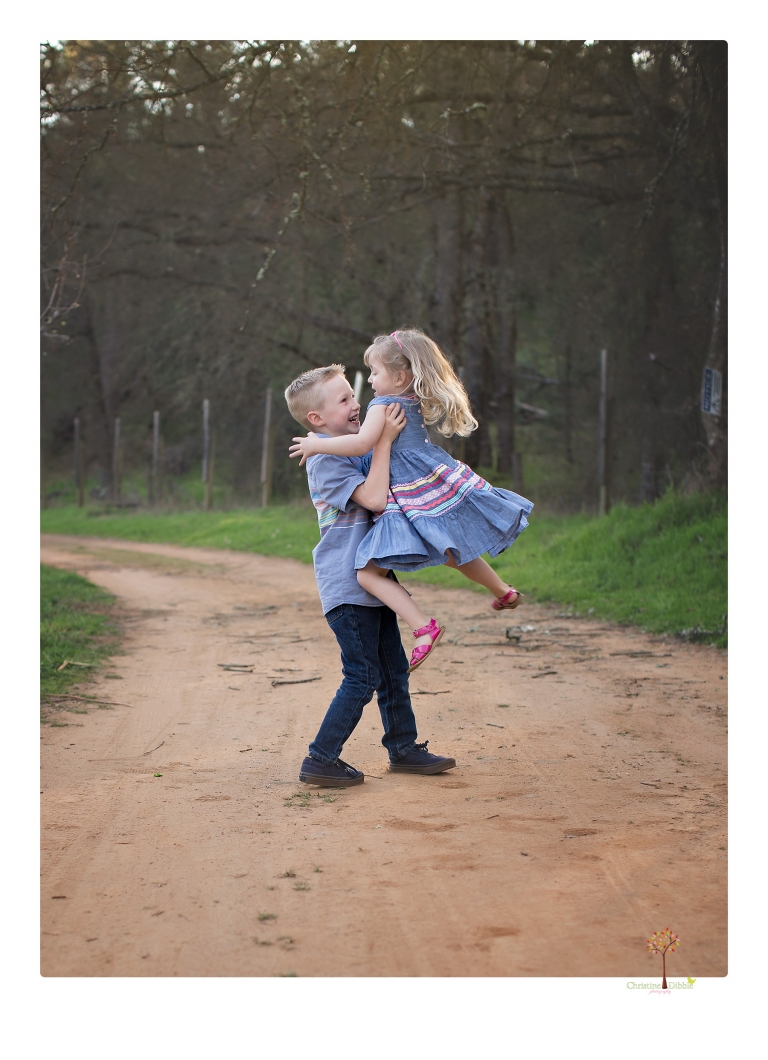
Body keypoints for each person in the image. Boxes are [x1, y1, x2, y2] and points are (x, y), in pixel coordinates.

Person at [289, 328, 534, 672]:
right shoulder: (410, 401)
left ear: (399, 376)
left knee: (367, 574)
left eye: (375, 373)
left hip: (406, 493)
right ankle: (502, 590)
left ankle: (423, 626)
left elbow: (360, 446)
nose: (369, 384)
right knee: (450, 549)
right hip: (427, 481)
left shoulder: (383, 405)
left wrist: (317, 444)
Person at [283, 364, 457, 786]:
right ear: (316, 421)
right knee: (362, 676)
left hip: (375, 580)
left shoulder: (348, 448)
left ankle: (403, 749)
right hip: (347, 584)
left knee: (393, 669)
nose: (356, 403)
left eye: (353, 394)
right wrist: (383, 444)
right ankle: (320, 758)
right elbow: (376, 498)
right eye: (343, 400)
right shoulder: (324, 459)